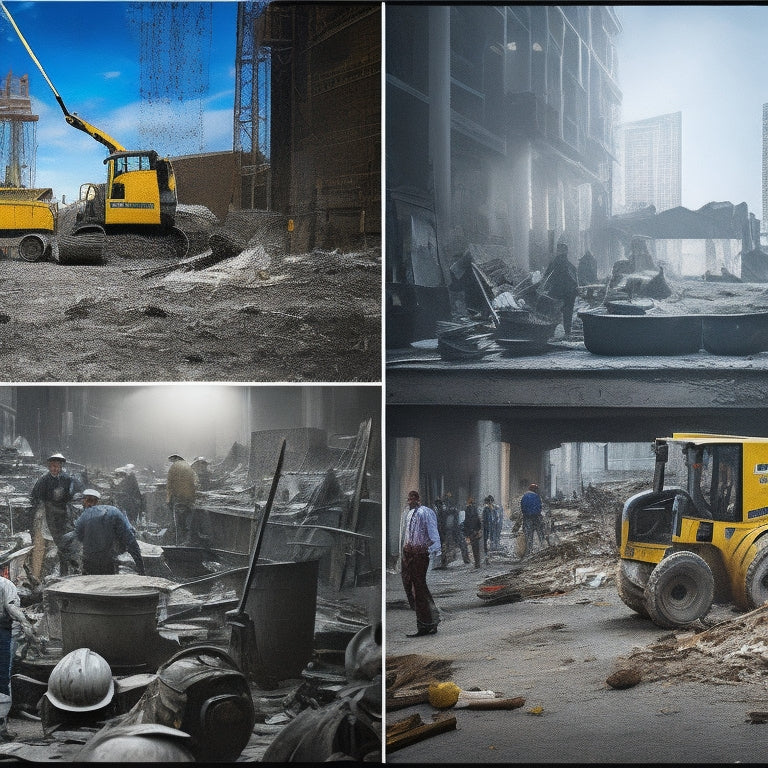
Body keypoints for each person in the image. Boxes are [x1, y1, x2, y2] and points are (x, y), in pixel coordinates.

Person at [29, 452, 83, 575]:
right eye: (53, 466)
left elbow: (74, 493)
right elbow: (34, 497)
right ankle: (41, 574)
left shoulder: (66, 479)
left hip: (63, 515)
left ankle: (65, 571)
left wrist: (74, 497)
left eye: (58, 466)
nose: (55, 469)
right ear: (49, 466)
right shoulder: (43, 480)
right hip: (47, 515)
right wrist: (42, 507)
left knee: (64, 543)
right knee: (45, 545)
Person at [0, 575, 39, 740]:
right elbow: (11, 607)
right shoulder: (5, 584)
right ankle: (1, 727)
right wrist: (25, 622)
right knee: (2, 680)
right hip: (2, 633)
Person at [73, 489, 145, 576]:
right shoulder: (114, 510)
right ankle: (142, 571)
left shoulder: (83, 516)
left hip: (92, 560)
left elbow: (78, 536)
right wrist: (140, 567)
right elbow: (130, 538)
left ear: (84, 502)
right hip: (111, 557)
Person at [400, 490, 441, 637]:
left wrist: (434, 550)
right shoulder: (409, 514)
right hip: (409, 554)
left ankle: (426, 623)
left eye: (413, 499)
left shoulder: (426, 513)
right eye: (409, 499)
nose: (410, 501)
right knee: (411, 585)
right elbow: (407, 535)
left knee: (419, 588)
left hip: (420, 555)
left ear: (418, 500)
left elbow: (433, 533)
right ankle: (429, 620)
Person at [541, 242, 579, 337]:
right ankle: (567, 332)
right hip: (571, 291)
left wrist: (543, 287)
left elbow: (546, 277)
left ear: (558, 251)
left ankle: (549, 331)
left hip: (558, 291)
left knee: (550, 309)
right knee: (568, 313)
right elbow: (575, 280)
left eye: (558, 250)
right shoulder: (571, 266)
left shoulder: (555, 263)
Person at [166, 454, 198, 546]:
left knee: (178, 524)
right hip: (189, 500)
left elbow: (170, 485)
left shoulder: (174, 468)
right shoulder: (188, 467)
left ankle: (178, 543)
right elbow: (194, 483)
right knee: (188, 523)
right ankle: (188, 541)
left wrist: (168, 500)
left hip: (178, 500)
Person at [520, 483, 546, 557]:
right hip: (536, 518)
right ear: (534, 490)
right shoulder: (537, 497)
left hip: (527, 518)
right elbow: (539, 507)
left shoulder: (524, 497)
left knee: (529, 536)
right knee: (540, 534)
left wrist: (526, 514)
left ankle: (528, 552)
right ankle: (543, 549)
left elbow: (522, 507)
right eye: (536, 489)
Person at [445, 492, 470, 564]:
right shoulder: (453, 510)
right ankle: (464, 559)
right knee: (461, 544)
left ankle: (461, 559)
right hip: (455, 529)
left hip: (452, 529)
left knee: (455, 545)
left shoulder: (452, 510)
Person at [463, 497, 482, 570]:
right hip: (475, 531)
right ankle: (477, 563)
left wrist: (466, 532)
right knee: (476, 548)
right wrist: (478, 529)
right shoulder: (475, 509)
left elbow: (467, 521)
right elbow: (478, 520)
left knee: (474, 547)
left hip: (471, 531)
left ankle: (477, 563)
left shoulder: (467, 510)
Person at [481, 495, 495, 560]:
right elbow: (488, 519)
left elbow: (488, 518)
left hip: (487, 526)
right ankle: (487, 552)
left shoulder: (488, 509)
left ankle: (487, 552)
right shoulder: (487, 509)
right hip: (488, 526)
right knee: (487, 539)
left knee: (487, 539)